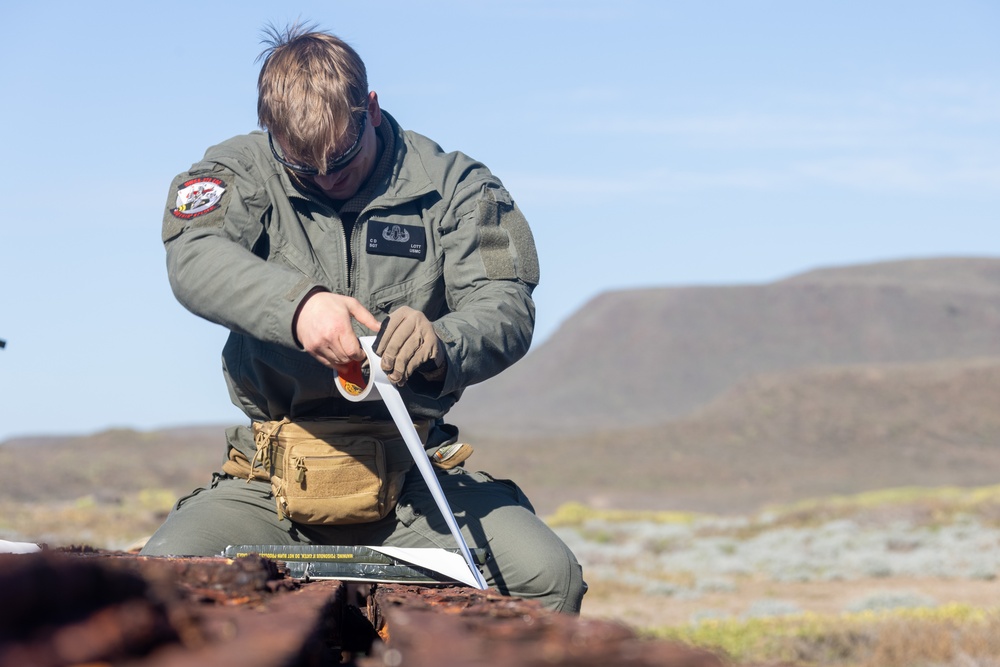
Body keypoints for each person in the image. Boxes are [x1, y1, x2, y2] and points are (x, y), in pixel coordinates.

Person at [140, 23, 586, 614]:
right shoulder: (236, 172)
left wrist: (442, 343)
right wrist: (298, 307)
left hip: (416, 484)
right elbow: (194, 257)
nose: (327, 178)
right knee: (158, 584)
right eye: (305, 168)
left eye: (342, 160)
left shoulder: (457, 187)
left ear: (370, 109)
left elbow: (506, 305)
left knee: (548, 579)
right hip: (267, 485)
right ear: (269, 131)